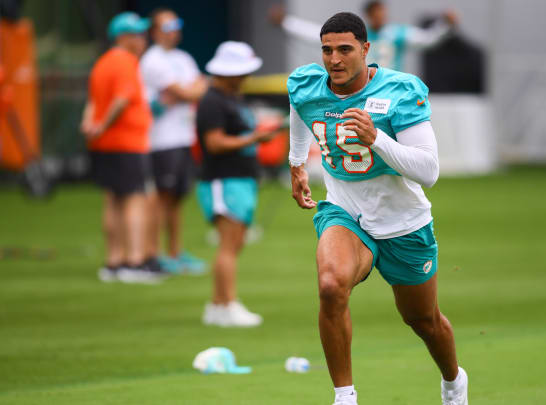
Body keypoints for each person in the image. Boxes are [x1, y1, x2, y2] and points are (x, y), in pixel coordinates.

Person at [287, 12, 467, 405]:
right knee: (331, 285)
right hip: (344, 211)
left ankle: (454, 382)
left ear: (366, 50)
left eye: (345, 50)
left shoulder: (400, 91)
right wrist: (297, 161)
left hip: (403, 222)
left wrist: (377, 139)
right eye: (327, 50)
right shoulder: (307, 83)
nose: (334, 59)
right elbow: (299, 109)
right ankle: (345, 397)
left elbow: (429, 171)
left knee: (423, 321)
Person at [195, 41, 279, 327]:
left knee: (235, 242)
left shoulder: (232, 98)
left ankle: (218, 305)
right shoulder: (212, 101)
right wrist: (254, 139)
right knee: (228, 244)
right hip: (223, 179)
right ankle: (227, 304)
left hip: (240, 178)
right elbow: (214, 143)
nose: (246, 77)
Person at [81, 12, 163, 284]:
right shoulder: (126, 62)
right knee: (134, 199)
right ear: (122, 37)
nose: (142, 40)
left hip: (106, 144)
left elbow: (92, 102)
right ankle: (134, 261)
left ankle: (113, 262)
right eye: (136, 34)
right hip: (128, 142)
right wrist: (103, 125)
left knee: (113, 200)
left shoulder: (102, 63)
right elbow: (121, 100)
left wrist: (91, 126)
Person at [140, 8, 207, 274]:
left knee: (177, 198)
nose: (174, 31)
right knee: (161, 197)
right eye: (168, 27)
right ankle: (154, 253)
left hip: (183, 137)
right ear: (155, 32)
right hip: (162, 140)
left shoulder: (184, 58)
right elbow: (187, 91)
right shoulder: (152, 60)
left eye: (176, 25)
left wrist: (185, 92)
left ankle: (175, 252)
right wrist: (187, 91)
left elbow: (198, 88)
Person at [268, 1, 457, 72]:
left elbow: (427, 40)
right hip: (361, 84)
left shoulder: (397, 33)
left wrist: (445, 25)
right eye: (376, 12)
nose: (380, 16)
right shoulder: (357, 33)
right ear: (369, 14)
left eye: (382, 12)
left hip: (389, 85)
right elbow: (314, 33)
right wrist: (286, 22)